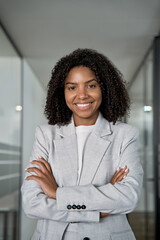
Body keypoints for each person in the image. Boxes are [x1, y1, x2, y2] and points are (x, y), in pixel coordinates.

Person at [21, 48, 143, 240]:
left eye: (91, 86)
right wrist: (101, 205)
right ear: (62, 93)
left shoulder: (125, 135)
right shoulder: (45, 135)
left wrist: (56, 193)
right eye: (72, 87)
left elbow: (128, 197)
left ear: (104, 88)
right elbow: (32, 203)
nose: (82, 95)